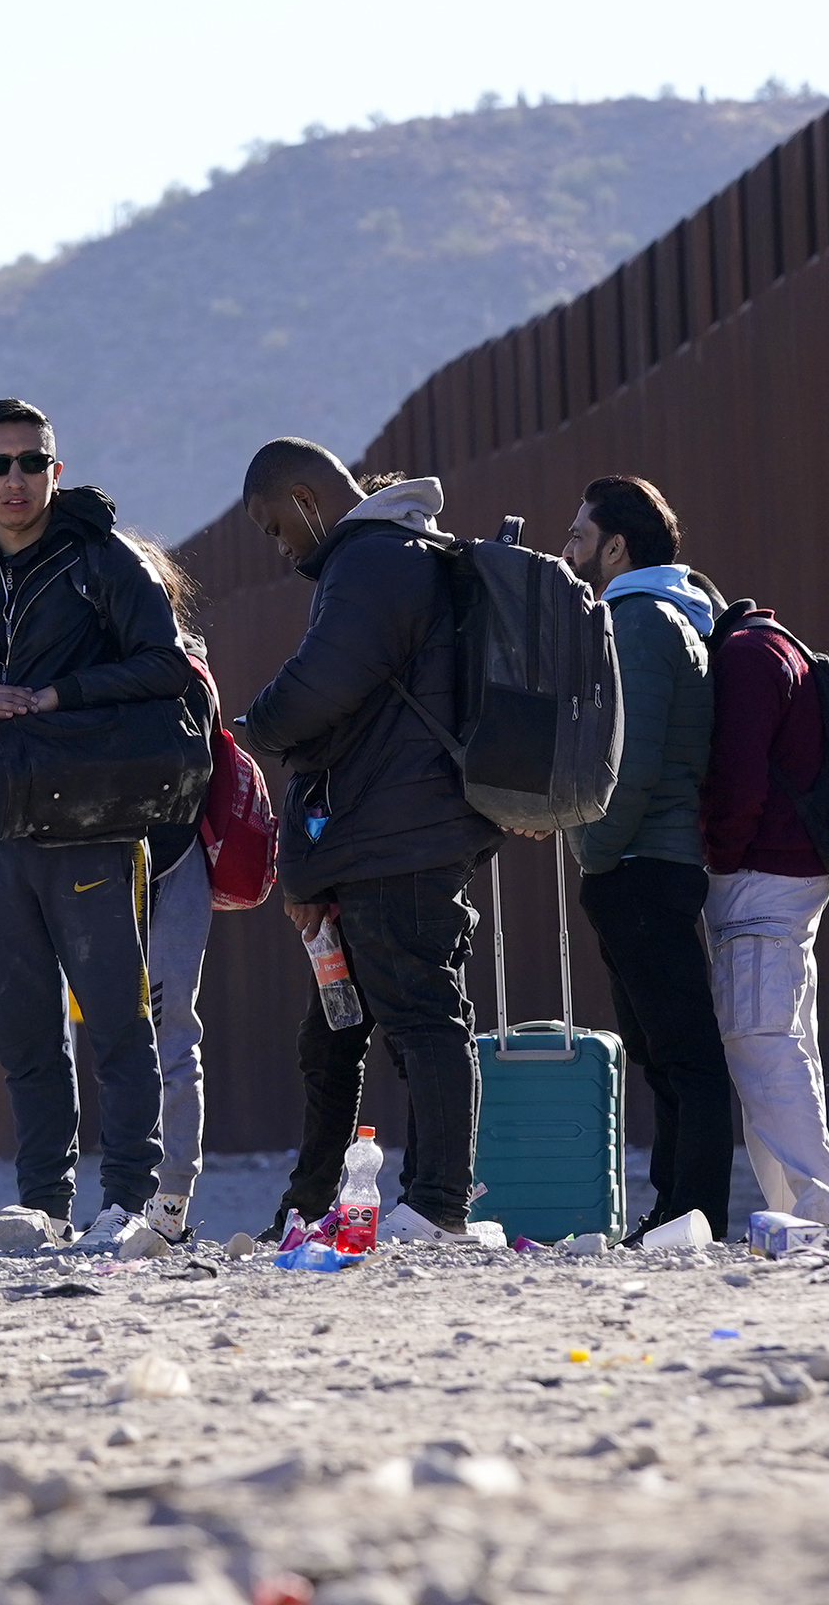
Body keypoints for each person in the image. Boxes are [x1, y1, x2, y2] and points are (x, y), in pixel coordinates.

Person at [0, 400, 186, 1246]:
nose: (15, 479)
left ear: (56, 470)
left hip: (93, 830)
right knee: (22, 1034)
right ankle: (46, 1205)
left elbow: (167, 667)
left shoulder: (106, 564)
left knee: (118, 1024)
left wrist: (60, 695)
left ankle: (131, 1205)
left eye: (31, 462)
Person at [238, 438, 492, 1246]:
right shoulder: (389, 557)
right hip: (376, 834)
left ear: (308, 498)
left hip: (400, 837)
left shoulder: (374, 559)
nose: (281, 549)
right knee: (336, 1031)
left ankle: (438, 1204)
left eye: (277, 527)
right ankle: (312, 1200)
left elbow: (321, 684)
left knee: (424, 1017)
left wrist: (255, 724)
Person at [556, 474, 735, 1242]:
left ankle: (694, 1213)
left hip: (639, 865)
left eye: (578, 536)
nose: (567, 550)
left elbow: (632, 760)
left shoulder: (639, 620)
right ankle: (671, 1212)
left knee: (684, 1054)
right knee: (661, 1054)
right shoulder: (672, 614)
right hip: (642, 864)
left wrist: (594, 853)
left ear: (616, 546)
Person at [699, 574, 829, 1232]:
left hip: (761, 876)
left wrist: (721, 855)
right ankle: (795, 1211)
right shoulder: (777, 644)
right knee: (782, 1044)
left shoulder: (742, 659)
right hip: (791, 876)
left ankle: (821, 1209)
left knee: (760, 1040)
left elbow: (737, 781)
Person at [133, 531, 219, 1247]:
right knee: (103, 1039)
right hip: (97, 871)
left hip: (172, 863)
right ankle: (110, 1197)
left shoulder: (187, 667)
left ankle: (170, 1203)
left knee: (170, 1033)